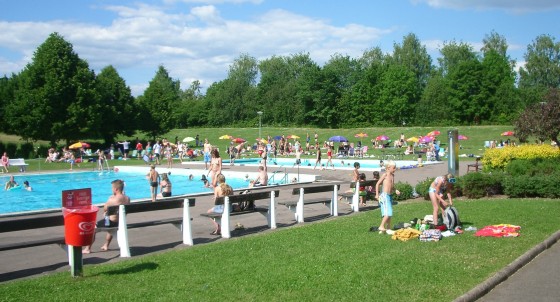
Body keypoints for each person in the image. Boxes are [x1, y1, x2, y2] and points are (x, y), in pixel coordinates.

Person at [83, 179, 130, 253]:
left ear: (116, 189)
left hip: (110, 223)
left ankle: (87, 249)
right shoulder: (127, 198)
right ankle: (106, 245)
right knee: (109, 223)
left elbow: (105, 209)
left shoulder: (112, 199)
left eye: (112, 188)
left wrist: (109, 199)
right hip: (120, 222)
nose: (111, 190)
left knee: (93, 228)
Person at [375, 160, 400, 234]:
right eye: (394, 168)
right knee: (388, 212)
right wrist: (377, 194)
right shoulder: (385, 175)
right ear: (388, 168)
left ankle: (388, 228)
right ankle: (381, 226)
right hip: (384, 196)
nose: (395, 169)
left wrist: (395, 190)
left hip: (389, 196)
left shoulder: (392, 176)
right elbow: (377, 184)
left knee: (388, 213)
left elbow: (392, 186)